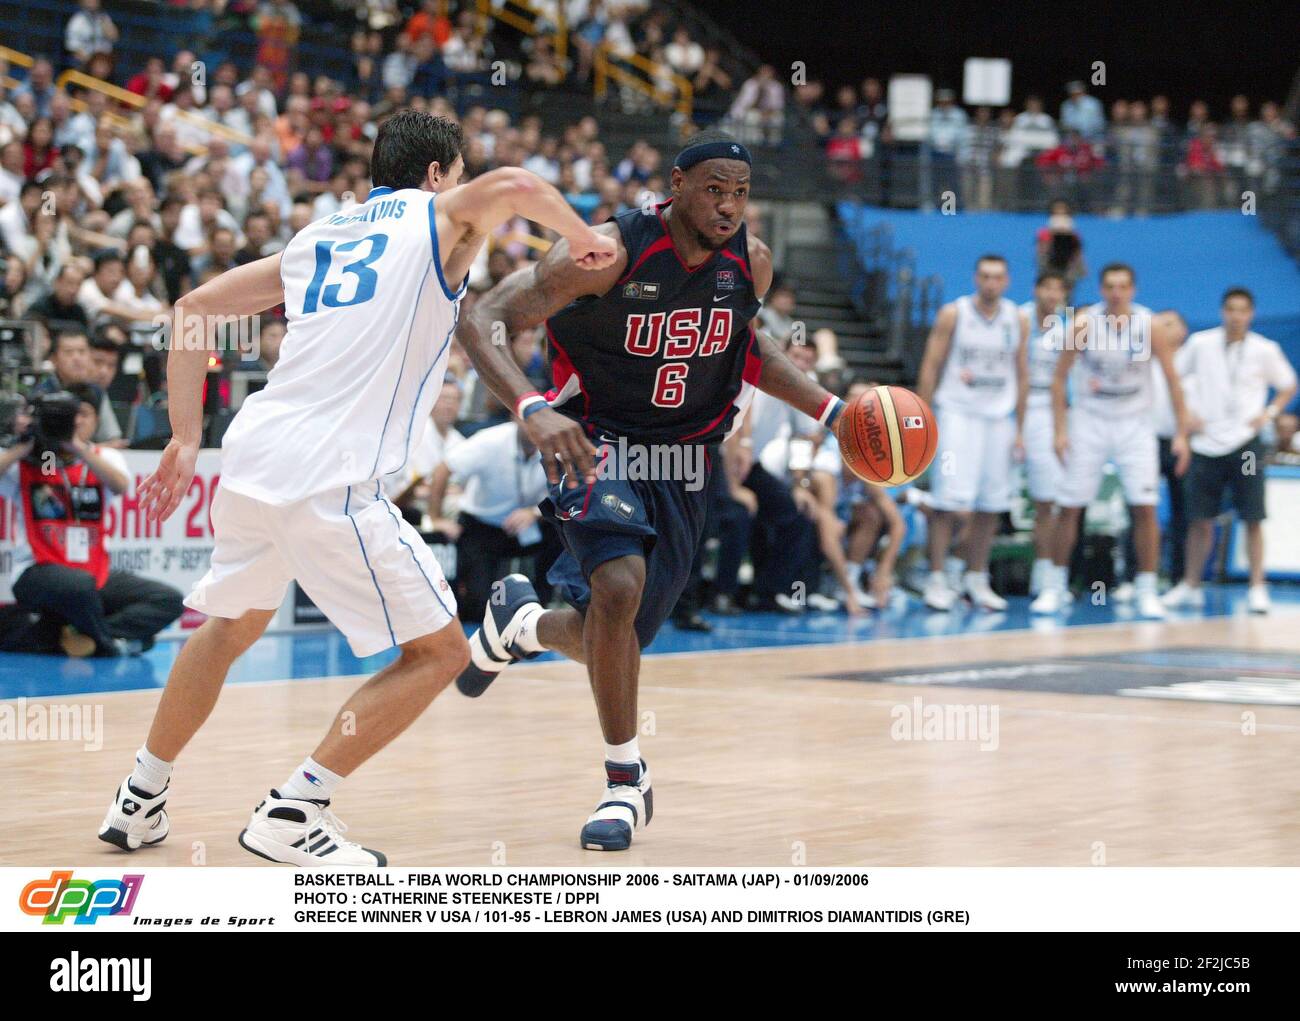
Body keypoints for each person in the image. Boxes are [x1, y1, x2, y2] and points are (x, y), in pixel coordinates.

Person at [95, 110, 617, 867]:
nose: (469, 189)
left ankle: (140, 796)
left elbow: (192, 312)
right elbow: (512, 183)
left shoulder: (320, 236)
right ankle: (294, 807)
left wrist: (184, 436)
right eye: (459, 175)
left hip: (251, 458)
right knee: (439, 652)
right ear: (438, 175)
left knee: (229, 626)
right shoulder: (440, 220)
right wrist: (583, 237)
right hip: (330, 476)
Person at [452, 131, 853, 852]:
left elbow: (747, 347)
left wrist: (831, 409)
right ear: (677, 184)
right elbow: (483, 318)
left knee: (616, 638)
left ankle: (521, 623)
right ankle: (624, 778)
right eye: (714, 189)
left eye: (740, 192)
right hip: (592, 439)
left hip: (686, 461)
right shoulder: (604, 251)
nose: (729, 205)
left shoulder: (749, 263)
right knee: (617, 584)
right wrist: (531, 409)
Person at [1031, 264, 1192, 618]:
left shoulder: (1150, 326)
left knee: (1144, 507)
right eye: (1110, 286)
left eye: (1123, 286)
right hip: (1090, 420)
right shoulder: (1084, 323)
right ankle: (1054, 587)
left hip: (1135, 423)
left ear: (1133, 289)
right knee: (1070, 505)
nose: (1116, 292)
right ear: (1102, 289)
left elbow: (1173, 380)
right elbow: (1058, 380)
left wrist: (1182, 433)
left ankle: (1147, 589)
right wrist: (1060, 430)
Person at [0, 384, 182, 657]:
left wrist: (76, 446)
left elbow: (120, 485)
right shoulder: (24, 462)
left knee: (168, 599)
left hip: (95, 570)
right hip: (37, 571)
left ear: (95, 420)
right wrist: (24, 446)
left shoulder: (103, 456)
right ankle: (107, 645)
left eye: (82, 415)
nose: (76, 421)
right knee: (79, 586)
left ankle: (73, 636)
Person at [1163, 288, 1296, 613]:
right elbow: (1174, 378)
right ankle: (1191, 584)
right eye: (1231, 310)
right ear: (1223, 311)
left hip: (1245, 443)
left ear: (1251, 314)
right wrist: (1187, 415)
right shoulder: (1200, 344)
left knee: (1252, 515)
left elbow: (1288, 384)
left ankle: (1257, 586)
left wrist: (1270, 413)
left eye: (1243, 310)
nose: (1236, 316)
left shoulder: (1265, 349)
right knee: (1199, 518)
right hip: (1206, 442)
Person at [916, 254, 1029, 611]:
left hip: (999, 418)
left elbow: (1023, 374)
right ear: (975, 278)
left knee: (991, 504)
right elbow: (931, 364)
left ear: (1007, 281)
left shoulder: (1017, 318)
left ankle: (975, 578)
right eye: (984, 276)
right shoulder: (955, 313)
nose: (991, 283)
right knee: (948, 501)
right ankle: (935, 578)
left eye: (997, 277)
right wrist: (920, 418)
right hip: (957, 415)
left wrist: (1021, 428)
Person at [424, 419, 555, 622]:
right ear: (515, 418)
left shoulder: (556, 445)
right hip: (481, 526)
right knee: (478, 605)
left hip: (527, 524)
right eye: (529, 420)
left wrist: (534, 512)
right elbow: (443, 468)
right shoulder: (491, 440)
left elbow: (567, 491)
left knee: (563, 531)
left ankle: (540, 609)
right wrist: (435, 517)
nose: (535, 428)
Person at [1020, 271, 1069, 594]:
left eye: (1058, 289)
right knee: (980, 499)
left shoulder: (1069, 330)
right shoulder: (1018, 319)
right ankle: (962, 574)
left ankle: (1048, 574)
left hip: (1053, 409)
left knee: (1050, 497)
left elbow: (1068, 379)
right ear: (1036, 290)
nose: (1051, 294)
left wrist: (1062, 424)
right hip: (1011, 407)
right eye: (1046, 287)